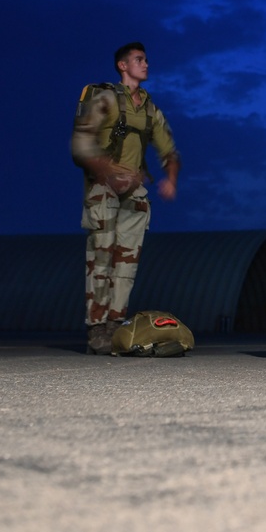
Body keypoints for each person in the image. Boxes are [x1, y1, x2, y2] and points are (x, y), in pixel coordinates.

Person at [71, 42, 181, 355]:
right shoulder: (104, 98)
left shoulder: (148, 107)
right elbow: (80, 146)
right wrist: (109, 171)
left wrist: (170, 179)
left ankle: (114, 325)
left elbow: (169, 149)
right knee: (101, 258)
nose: (146, 64)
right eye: (138, 59)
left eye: (146, 59)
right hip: (103, 186)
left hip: (134, 191)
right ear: (123, 66)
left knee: (127, 263)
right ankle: (96, 328)